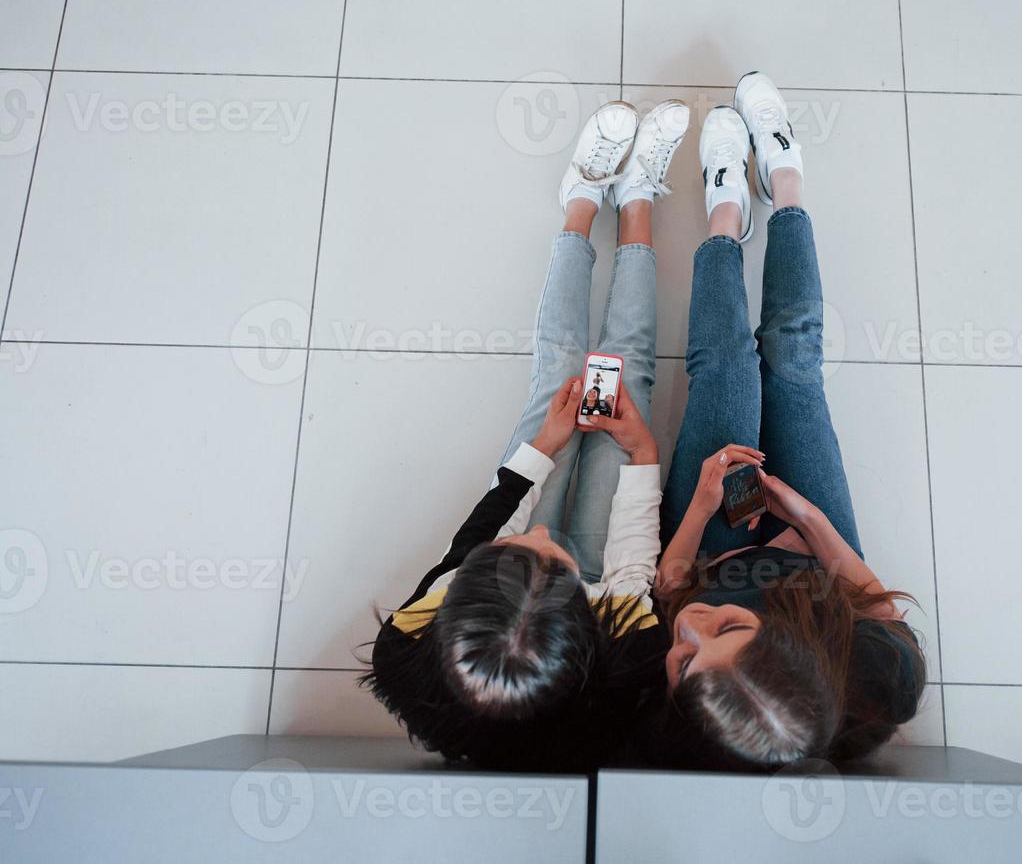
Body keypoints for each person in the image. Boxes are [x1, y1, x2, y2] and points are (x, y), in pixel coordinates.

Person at [361, 99, 690, 770]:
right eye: (554, 555)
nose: (544, 533)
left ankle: (581, 198)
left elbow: (484, 529)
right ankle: (637, 205)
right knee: (629, 381)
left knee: (564, 378)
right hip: (600, 588)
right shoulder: (627, 659)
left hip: (539, 587)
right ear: (589, 626)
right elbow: (631, 572)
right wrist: (642, 452)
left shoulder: (410, 638)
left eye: (520, 548)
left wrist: (544, 446)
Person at [652, 72, 926, 770]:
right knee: (794, 362)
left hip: (717, 541)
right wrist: (805, 514)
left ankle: (724, 216)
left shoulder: (704, 688)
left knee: (728, 369)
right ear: (790, 650)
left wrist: (707, 502)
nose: (687, 629)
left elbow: (675, 586)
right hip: (813, 543)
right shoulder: (874, 679)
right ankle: (786, 184)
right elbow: (872, 599)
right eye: (727, 628)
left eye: (683, 657)